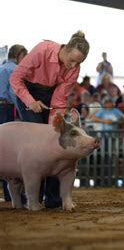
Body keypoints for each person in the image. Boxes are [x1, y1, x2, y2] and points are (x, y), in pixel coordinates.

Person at [10, 31, 90, 208]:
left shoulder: (74, 68)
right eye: (72, 60)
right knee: (36, 143)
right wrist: (31, 102)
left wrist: (55, 124)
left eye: (79, 63)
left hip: (51, 96)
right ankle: (33, 199)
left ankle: (53, 199)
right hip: (27, 92)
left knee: (55, 141)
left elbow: (59, 99)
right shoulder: (42, 50)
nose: (74, 65)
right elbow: (15, 78)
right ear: (65, 49)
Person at [0, 44, 28, 202]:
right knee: (7, 150)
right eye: (25, 57)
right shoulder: (14, 70)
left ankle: (8, 194)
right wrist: (24, 115)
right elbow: (15, 94)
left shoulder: (2, 68)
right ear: (19, 55)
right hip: (5, 108)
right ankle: (11, 195)